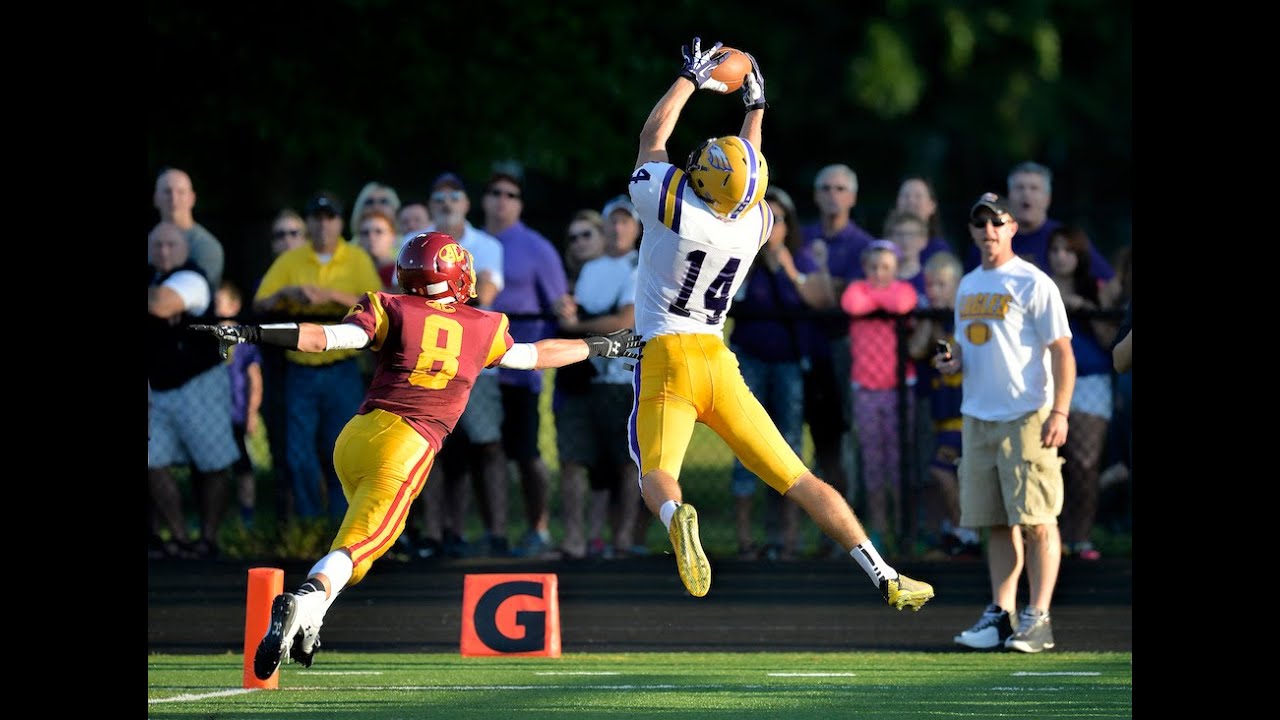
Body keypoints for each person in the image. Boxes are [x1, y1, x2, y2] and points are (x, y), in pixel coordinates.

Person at [194, 232, 641, 678]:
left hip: (357, 435)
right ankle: (305, 599)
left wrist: (251, 332)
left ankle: (311, 621)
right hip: (406, 445)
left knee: (358, 544)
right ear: (456, 274)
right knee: (359, 545)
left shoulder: (391, 306)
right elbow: (535, 355)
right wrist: (602, 345)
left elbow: (329, 338)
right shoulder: (482, 326)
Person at [625, 38, 933, 610]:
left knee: (657, 474)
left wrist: (689, 78)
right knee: (800, 479)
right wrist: (756, 105)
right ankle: (885, 573)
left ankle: (675, 515)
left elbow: (653, 139)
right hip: (718, 360)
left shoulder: (673, 203)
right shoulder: (756, 223)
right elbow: (748, 173)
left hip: (666, 356)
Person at [938, 192, 1076, 654]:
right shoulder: (968, 284)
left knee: (1037, 520)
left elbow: (1062, 352)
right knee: (995, 522)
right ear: (971, 231)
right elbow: (965, 346)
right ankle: (1002, 614)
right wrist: (952, 360)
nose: (988, 231)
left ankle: (1038, 618)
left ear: (1012, 227)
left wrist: (1059, 412)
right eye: (980, 223)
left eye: (997, 222)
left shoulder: (1034, 283)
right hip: (978, 417)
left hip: (1027, 416)